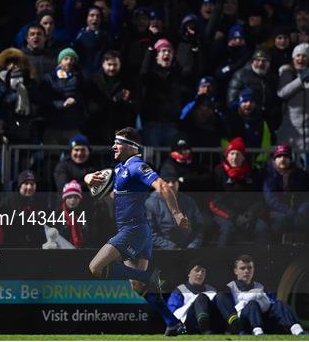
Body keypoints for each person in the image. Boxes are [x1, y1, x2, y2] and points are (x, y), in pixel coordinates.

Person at [84, 127, 189, 336]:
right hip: (139, 231)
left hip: (132, 230)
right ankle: (173, 322)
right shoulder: (122, 169)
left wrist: (176, 214)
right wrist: (88, 178)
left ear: (131, 147)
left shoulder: (137, 166)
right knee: (139, 288)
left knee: (95, 267)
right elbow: (92, 178)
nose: (113, 146)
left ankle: (148, 274)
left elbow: (163, 187)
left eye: (118, 142)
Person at [223, 254, 306, 335]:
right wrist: (250, 299)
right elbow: (229, 311)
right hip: (243, 323)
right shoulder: (229, 288)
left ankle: (297, 330)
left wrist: (260, 299)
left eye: (249, 268)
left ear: (253, 270)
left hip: (263, 319)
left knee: (279, 304)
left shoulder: (259, 286)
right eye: (242, 268)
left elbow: (268, 305)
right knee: (252, 304)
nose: (246, 271)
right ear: (235, 271)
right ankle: (257, 332)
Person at [209, 137, 269, 247]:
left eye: (238, 154)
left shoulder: (252, 172)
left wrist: (250, 214)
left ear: (243, 157)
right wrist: (235, 216)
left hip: (247, 214)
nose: (235, 157)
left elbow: (259, 198)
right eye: (232, 154)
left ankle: (262, 261)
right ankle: (220, 262)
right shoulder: (219, 172)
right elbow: (216, 201)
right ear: (227, 156)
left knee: (262, 228)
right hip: (225, 214)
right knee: (227, 229)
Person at [262, 144, 309, 244]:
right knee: (282, 220)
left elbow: (305, 195)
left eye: (285, 156)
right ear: (274, 159)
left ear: (290, 159)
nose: (282, 159)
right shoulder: (269, 175)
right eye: (279, 156)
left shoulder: (299, 174)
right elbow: (271, 200)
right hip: (277, 211)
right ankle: (274, 250)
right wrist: (291, 212)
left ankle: (307, 250)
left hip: (297, 211)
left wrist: (303, 209)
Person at [167, 260, 243, 334]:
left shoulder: (211, 289)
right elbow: (173, 313)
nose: (200, 274)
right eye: (197, 271)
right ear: (189, 273)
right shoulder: (180, 290)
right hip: (192, 323)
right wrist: (194, 301)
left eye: (203, 271)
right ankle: (204, 326)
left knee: (220, 295)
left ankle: (234, 323)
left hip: (213, 321)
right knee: (201, 297)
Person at [145, 170, 205, 249]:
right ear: (160, 184)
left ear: (178, 184)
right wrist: (172, 247)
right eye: (167, 181)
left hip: (188, 248)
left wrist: (193, 245)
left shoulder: (188, 200)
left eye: (174, 181)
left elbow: (199, 226)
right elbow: (150, 233)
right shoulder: (151, 203)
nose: (171, 185)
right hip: (164, 250)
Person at [1, 170, 46, 248]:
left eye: (32, 184)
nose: (29, 187)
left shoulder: (39, 202)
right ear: (20, 185)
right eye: (26, 184)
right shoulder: (9, 201)